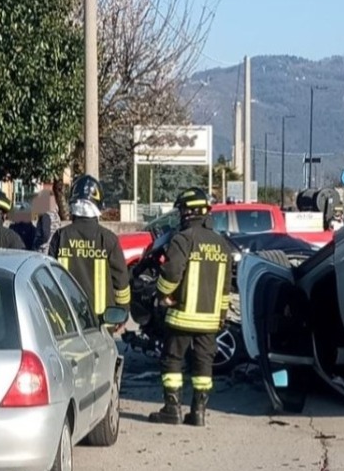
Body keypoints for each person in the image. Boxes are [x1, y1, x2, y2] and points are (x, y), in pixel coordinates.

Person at [147, 187, 232, 427]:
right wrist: (221, 316)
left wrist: (163, 294)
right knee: (203, 363)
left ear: (187, 212)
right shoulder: (221, 244)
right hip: (210, 319)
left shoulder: (183, 239)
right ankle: (199, 412)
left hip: (181, 317)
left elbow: (172, 272)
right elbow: (225, 287)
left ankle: (172, 410)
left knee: (172, 360)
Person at [48, 174, 130, 326]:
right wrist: (121, 313)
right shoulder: (109, 239)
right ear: (98, 206)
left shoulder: (60, 237)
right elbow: (121, 283)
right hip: (102, 325)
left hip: (67, 323)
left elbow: (49, 278)